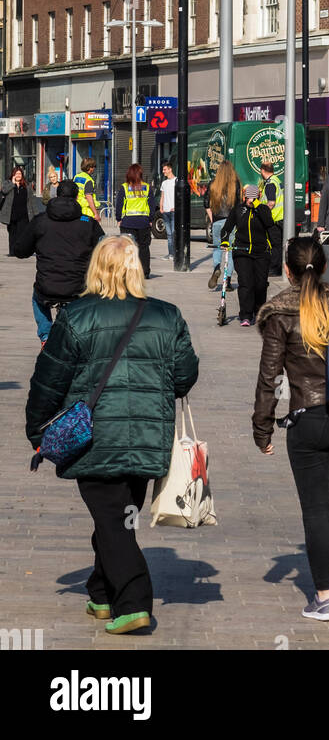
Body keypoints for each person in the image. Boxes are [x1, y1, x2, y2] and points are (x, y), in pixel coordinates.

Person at [25, 235, 199, 635]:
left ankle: (134, 602)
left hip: (94, 440)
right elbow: (185, 377)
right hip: (146, 438)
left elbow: (49, 381)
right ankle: (101, 592)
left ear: (97, 269)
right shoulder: (167, 316)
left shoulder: (76, 316)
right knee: (118, 518)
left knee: (113, 520)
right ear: (136, 268)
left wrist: (37, 429)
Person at [253, 236, 329, 621]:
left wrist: (263, 428)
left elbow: (269, 377)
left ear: (287, 271)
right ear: (324, 268)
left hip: (309, 422)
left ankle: (323, 598)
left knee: (316, 510)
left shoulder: (280, 315)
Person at [14, 177, 104, 345]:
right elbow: (105, 250)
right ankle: (80, 335)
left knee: (37, 297)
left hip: (46, 287)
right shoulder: (88, 223)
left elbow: (20, 250)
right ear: (78, 198)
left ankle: (46, 336)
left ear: (56, 195)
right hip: (79, 287)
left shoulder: (40, 221)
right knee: (90, 299)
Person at [220, 184, 276, 326]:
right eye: (249, 197)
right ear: (245, 197)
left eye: (254, 197)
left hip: (261, 252)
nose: (251, 200)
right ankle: (245, 314)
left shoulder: (263, 209)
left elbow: (269, 224)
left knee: (260, 284)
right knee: (246, 283)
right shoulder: (238, 210)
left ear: (258, 196)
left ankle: (259, 312)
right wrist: (225, 241)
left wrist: (257, 205)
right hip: (242, 251)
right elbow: (227, 228)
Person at [115, 164, 157, 280]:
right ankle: (145, 272)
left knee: (128, 248)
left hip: (128, 222)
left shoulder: (124, 187)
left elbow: (119, 205)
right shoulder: (147, 187)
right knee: (144, 248)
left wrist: (119, 219)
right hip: (143, 222)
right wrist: (150, 219)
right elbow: (152, 205)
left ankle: (128, 272)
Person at [205, 160, 242, 291]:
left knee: (217, 248)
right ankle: (228, 281)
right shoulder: (235, 184)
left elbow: (206, 204)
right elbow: (239, 206)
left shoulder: (213, 184)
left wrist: (213, 219)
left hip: (217, 221)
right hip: (231, 223)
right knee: (230, 252)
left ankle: (216, 268)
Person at [1, 166, 43, 256]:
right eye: (16, 174)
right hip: (11, 214)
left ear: (22, 175)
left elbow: (31, 200)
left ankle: (20, 251)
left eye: (19, 173)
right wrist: (12, 184)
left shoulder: (26, 185)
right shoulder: (7, 183)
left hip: (24, 214)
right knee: (12, 234)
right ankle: (12, 252)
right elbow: (4, 191)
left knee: (22, 234)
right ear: (13, 175)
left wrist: (36, 214)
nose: (18, 175)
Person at [258, 161, 284, 277]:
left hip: (274, 218)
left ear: (262, 171)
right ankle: (278, 267)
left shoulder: (269, 184)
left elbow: (271, 203)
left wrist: (263, 213)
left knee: (275, 245)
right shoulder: (277, 180)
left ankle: (274, 268)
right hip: (281, 217)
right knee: (279, 245)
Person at [74, 157, 100, 222]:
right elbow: (89, 197)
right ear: (90, 168)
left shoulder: (76, 177)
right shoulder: (89, 180)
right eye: (94, 167)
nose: (94, 168)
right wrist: (96, 214)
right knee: (89, 230)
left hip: (76, 209)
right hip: (87, 212)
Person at [159, 161, 176, 261]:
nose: (163, 171)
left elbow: (180, 197)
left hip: (173, 211)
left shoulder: (177, 181)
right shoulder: (164, 183)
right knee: (169, 234)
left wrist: (176, 207)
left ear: (170, 169)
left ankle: (175, 253)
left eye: (165, 169)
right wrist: (161, 207)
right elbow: (162, 196)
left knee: (173, 233)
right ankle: (171, 254)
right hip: (165, 211)